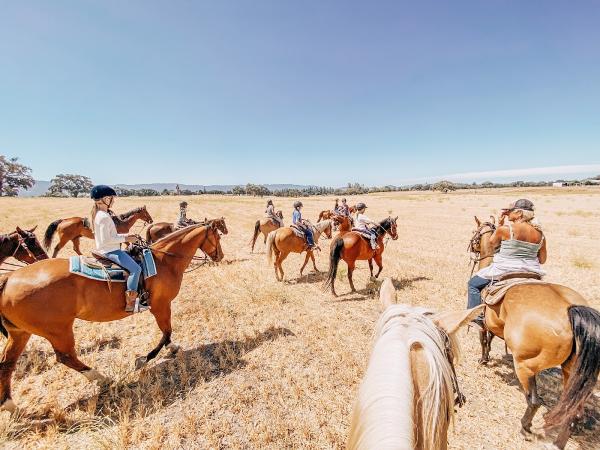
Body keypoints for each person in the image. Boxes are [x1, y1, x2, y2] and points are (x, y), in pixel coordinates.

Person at [467, 199, 547, 321]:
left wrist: (500, 224)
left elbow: (492, 244)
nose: (507, 213)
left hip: (504, 270)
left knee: (473, 284)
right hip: (532, 272)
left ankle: (477, 319)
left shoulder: (505, 229)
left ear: (519, 213)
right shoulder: (540, 234)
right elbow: (542, 260)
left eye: (510, 211)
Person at [90, 185, 148, 313]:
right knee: (136, 269)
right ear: (104, 199)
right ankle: (131, 304)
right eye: (111, 198)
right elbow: (107, 240)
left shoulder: (101, 214)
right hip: (110, 251)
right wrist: (126, 239)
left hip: (109, 248)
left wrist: (127, 236)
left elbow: (112, 236)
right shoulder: (104, 217)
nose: (113, 200)